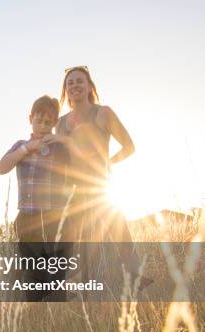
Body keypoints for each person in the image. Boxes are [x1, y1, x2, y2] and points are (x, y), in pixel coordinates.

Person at [53, 66, 144, 288]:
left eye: (79, 81)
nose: (74, 85)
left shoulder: (103, 113)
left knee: (119, 233)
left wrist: (109, 163)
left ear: (89, 86)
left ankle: (136, 282)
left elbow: (129, 146)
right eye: (70, 82)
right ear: (65, 90)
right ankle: (85, 288)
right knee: (79, 243)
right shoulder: (60, 123)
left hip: (100, 188)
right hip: (71, 191)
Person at [0, 95, 72, 301]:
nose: (43, 126)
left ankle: (57, 320)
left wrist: (63, 139)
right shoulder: (20, 145)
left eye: (48, 123)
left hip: (54, 220)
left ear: (55, 124)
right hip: (27, 220)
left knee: (56, 277)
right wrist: (26, 149)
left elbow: (84, 155)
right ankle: (35, 319)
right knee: (32, 279)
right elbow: (2, 168)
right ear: (30, 118)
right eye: (39, 121)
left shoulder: (59, 147)